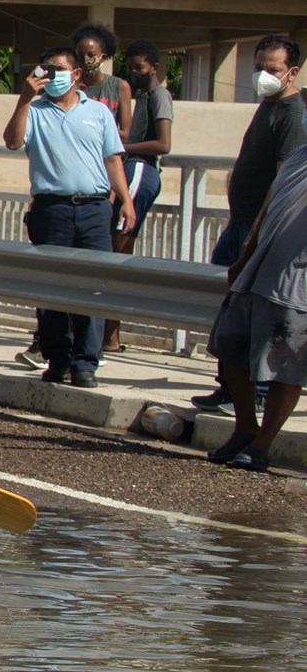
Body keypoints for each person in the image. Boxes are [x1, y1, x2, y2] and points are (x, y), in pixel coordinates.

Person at [2, 48, 135, 386]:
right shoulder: (35, 110)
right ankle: (57, 359)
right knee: (51, 289)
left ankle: (85, 363)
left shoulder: (99, 113)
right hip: (52, 209)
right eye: (46, 69)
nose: (51, 75)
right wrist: (24, 99)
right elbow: (12, 142)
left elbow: (113, 159)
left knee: (92, 287)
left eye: (58, 69)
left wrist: (126, 200)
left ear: (76, 75)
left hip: (94, 208)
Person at [193, 34, 304, 413]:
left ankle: (254, 397)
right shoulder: (266, 108)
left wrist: (254, 237)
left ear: (292, 72)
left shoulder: (292, 115)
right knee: (231, 318)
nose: (262, 76)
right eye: (258, 68)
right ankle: (229, 388)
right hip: (240, 224)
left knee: (255, 320)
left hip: (258, 235)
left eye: (271, 70)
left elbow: (281, 184)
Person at [205, 144, 307, 472]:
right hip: (258, 270)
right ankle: (244, 428)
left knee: (284, 365)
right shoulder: (298, 154)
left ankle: (262, 446)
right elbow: (269, 205)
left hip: (296, 281)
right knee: (232, 348)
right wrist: (247, 251)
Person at [104, 38, 174, 352]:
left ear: (154, 68)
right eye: (130, 68)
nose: (133, 73)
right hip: (131, 169)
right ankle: (110, 336)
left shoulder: (160, 95)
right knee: (114, 251)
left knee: (116, 254)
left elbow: (163, 144)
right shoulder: (143, 96)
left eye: (139, 68)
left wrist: (123, 148)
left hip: (141, 171)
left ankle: (109, 336)